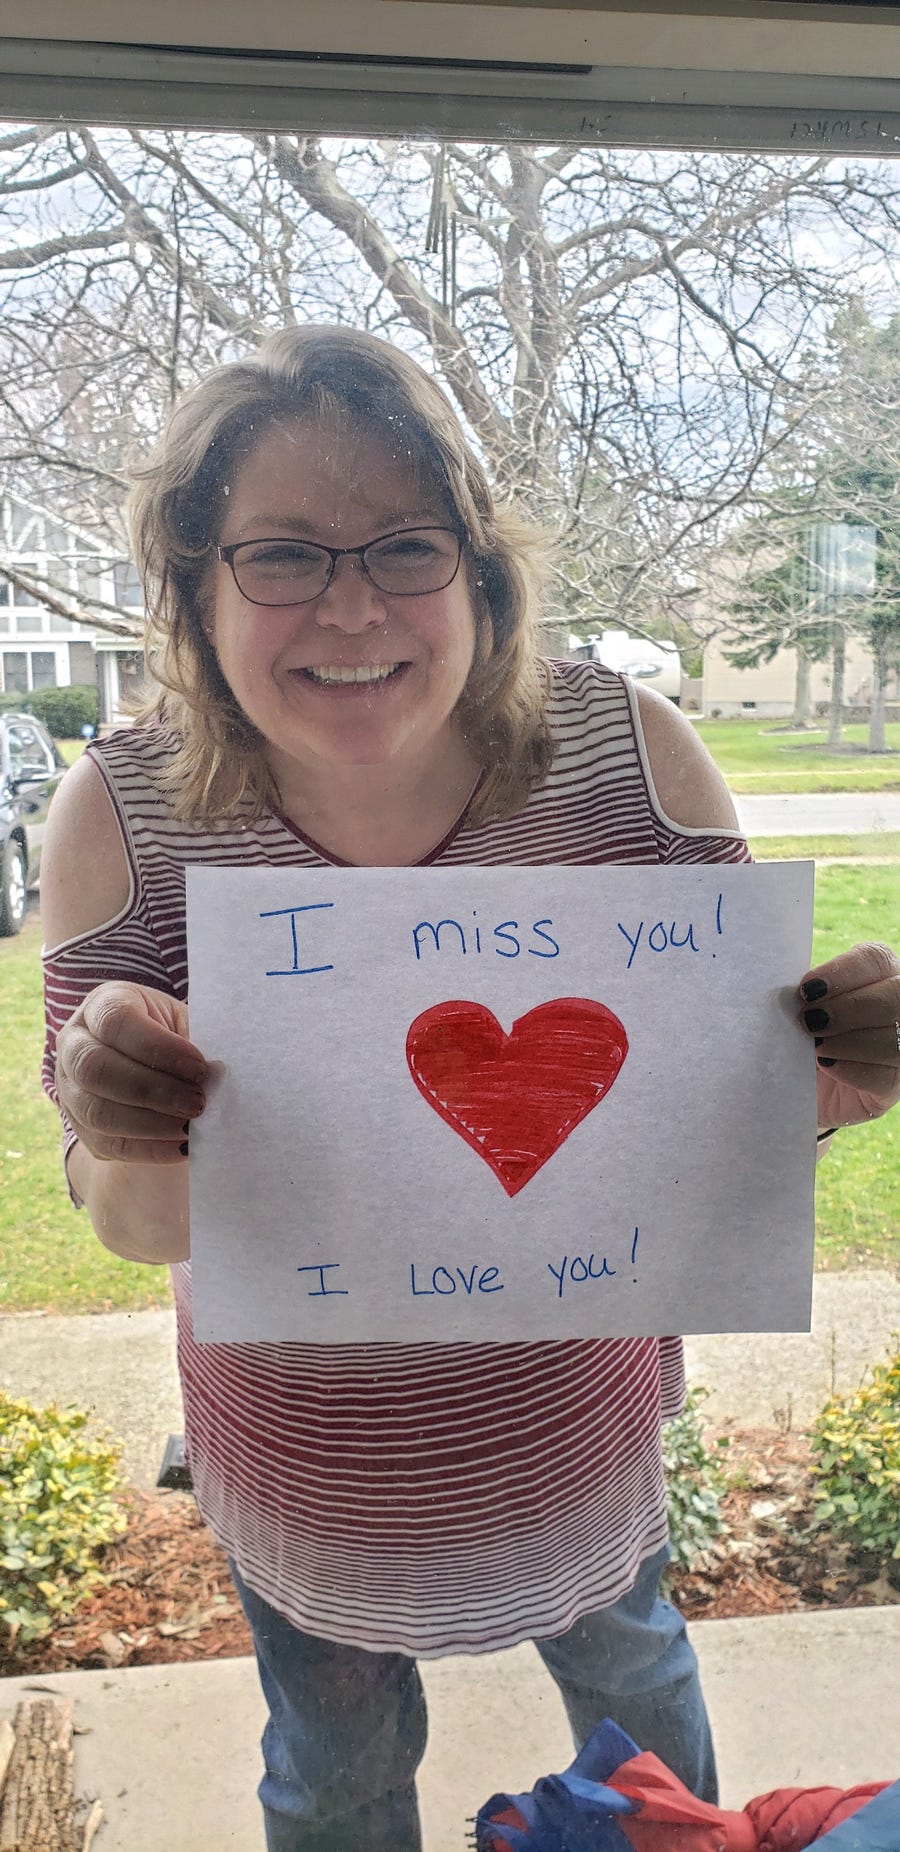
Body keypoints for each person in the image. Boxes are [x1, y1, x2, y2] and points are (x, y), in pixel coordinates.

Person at [40, 327, 900, 1852]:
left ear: (483, 576)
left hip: (576, 1429)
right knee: (334, 1774)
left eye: (408, 546)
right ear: (196, 585)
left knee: (646, 1730)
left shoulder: (629, 757)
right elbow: (131, 1225)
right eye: (283, 554)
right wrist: (126, 1123)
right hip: (306, 1459)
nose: (352, 606)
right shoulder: (123, 812)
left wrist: (843, 1072)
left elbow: (734, 1107)